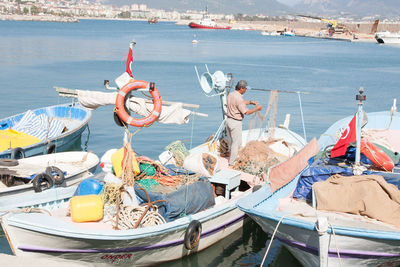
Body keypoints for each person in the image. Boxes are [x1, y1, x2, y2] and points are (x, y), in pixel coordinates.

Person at [226, 80, 262, 166]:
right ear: (241, 88)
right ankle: (232, 163)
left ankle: (235, 157)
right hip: (236, 122)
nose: (246, 90)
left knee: (236, 142)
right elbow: (247, 112)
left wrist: (250, 102)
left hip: (229, 120)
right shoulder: (238, 98)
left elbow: (239, 102)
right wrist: (257, 109)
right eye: (245, 88)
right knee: (235, 143)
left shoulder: (231, 94)